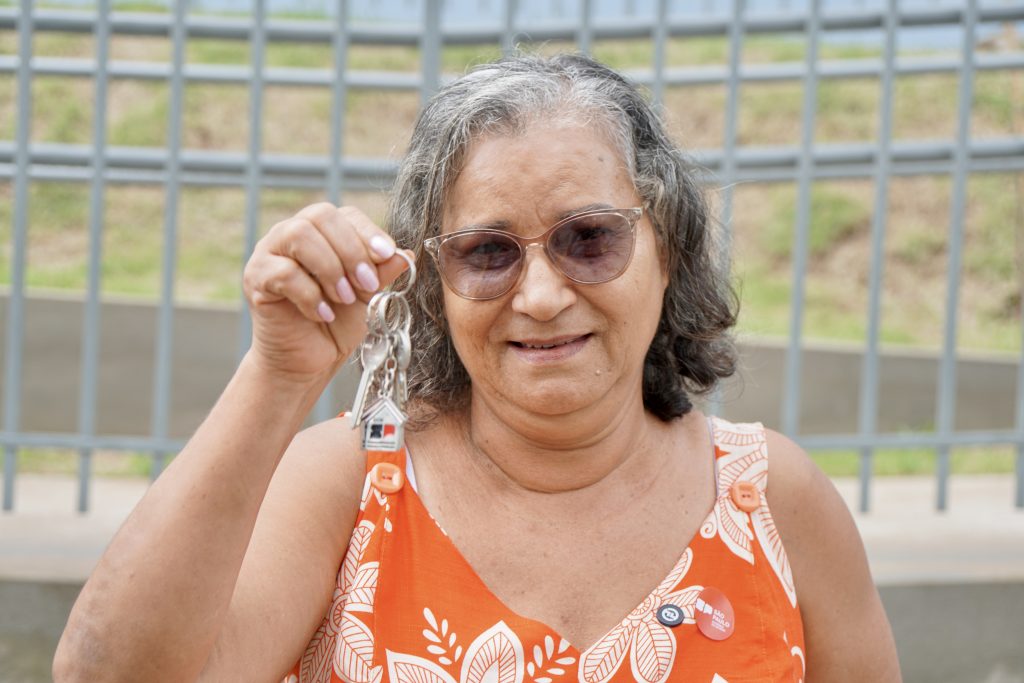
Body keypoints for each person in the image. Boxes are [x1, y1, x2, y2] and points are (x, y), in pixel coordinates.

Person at [54, 53, 901, 682]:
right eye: (488, 251)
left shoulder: (774, 500)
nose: (538, 294)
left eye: (589, 238)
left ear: (668, 250)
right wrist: (278, 374)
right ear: (433, 280)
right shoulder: (353, 487)